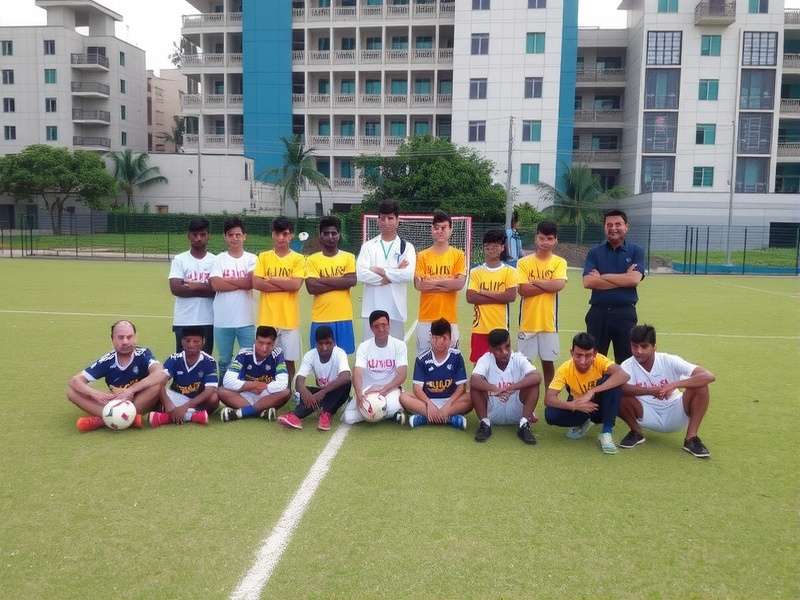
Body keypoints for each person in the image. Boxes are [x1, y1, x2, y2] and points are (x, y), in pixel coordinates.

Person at [618, 324, 715, 458]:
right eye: (635, 346)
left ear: (654, 347)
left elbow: (708, 376)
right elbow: (622, 387)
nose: (638, 351)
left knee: (701, 387)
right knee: (617, 393)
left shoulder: (668, 360)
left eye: (644, 346)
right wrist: (652, 391)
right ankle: (636, 432)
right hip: (646, 413)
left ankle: (691, 439)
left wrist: (673, 385)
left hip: (675, 411)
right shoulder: (627, 365)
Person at [67, 320, 162, 432]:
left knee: (157, 385)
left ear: (135, 338)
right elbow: (75, 381)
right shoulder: (107, 360)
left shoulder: (143, 353)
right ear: (112, 339)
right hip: (117, 401)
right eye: (120, 337)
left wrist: (131, 390)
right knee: (72, 392)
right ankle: (126, 419)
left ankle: (105, 419)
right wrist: (95, 394)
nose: (125, 341)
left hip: (140, 400)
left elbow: (159, 372)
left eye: (129, 337)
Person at [544, 332, 630, 454]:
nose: (583, 361)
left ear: (595, 353)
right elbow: (549, 399)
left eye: (588, 355)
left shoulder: (600, 360)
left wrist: (592, 391)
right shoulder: (564, 369)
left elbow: (624, 375)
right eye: (578, 355)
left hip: (600, 405)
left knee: (613, 382)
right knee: (550, 414)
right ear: (571, 352)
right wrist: (573, 405)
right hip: (580, 407)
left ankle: (606, 432)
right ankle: (584, 421)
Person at [582, 209, 645, 363]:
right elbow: (588, 282)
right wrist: (624, 277)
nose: (613, 228)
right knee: (594, 360)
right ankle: (596, 388)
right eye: (609, 224)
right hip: (598, 314)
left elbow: (634, 280)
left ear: (626, 227)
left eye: (618, 224)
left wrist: (603, 276)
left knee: (626, 362)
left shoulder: (636, 251)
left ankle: (622, 388)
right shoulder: (594, 252)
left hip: (625, 314)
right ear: (604, 227)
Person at [253, 216, 306, 384]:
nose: (281, 238)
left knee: (288, 360)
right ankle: (266, 388)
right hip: (267, 319)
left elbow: (295, 285)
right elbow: (256, 283)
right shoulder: (263, 256)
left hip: (289, 320)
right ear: (273, 235)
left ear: (291, 236)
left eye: (285, 234)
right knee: (265, 358)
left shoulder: (298, 258)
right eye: (278, 234)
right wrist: (285, 283)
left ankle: (288, 390)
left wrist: (271, 279)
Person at [516, 221, 568, 389]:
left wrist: (536, 282)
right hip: (527, 323)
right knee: (525, 366)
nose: (545, 242)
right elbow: (523, 290)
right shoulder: (523, 262)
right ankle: (524, 405)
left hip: (549, 324)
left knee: (548, 363)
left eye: (549, 238)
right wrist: (548, 285)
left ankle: (550, 399)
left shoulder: (560, 262)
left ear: (556, 241)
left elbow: (558, 286)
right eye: (542, 238)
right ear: (536, 238)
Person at [356, 199, 416, 341]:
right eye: (382, 218)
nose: (386, 222)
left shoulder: (407, 247)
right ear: (378, 220)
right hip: (371, 310)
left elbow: (408, 275)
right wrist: (394, 273)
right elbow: (361, 274)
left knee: (395, 357)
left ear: (397, 220)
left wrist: (383, 272)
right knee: (371, 356)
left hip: (396, 311)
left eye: (390, 218)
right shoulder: (368, 246)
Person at [471, 329, 541, 445]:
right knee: (475, 386)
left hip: (517, 411)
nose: (504, 352)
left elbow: (537, 376)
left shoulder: (518, 358)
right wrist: (495, 389)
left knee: (533, 383)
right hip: (492, 411)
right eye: (498, 349)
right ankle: (485, 423)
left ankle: (524, 424)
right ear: (491, 349)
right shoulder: (485, 359)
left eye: (507, 346)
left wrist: (512, 387)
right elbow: (474, 380)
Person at [400, 318, 471, 430]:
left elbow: (461, 387)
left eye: (444, 338)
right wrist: (429, 404)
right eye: (436, 338)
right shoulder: (421, 359)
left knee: (471, 397)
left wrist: (448, 405)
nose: (440, 342)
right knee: (403, 397)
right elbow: (417, 388)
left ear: (450, 338)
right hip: (427, 401)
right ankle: (449, 418)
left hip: (451, 401)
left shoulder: (457, 356)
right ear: (431, 338)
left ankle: (426, 418)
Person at [278, 325, 352, 431]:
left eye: (328, 343)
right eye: (320, 344)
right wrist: (304, 391)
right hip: (321, 394)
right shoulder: (310, 355)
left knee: (346, 382)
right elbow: (299, 379)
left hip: (338, 394)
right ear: (315, 344)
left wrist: (323, 392)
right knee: (305, 390)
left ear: (334, 343)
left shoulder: (339, 353)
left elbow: (345, 377)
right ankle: (296, 416)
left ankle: (326, 413)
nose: (324, 347)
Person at [413, 210, 467, 355]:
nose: (440, 231)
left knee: (450, 361)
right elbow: (419, 285)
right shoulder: (422, 255)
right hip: (426, 319)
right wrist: (447, 282)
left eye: (443, 227)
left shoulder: (458, 255)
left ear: (451, 229)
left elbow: (459, 284)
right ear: (432, 229)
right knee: (424, 361)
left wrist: (433, 282)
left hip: (449, 319)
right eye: (436, 227)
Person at [210, 217, 257, 376]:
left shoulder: (252, 259)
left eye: (238, 235)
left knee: (249, 358)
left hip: (247, 320)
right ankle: (224, 389)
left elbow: (250, 283)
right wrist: (241, 282)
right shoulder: (218, 259)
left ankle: (246, 388)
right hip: (223, 320)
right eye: (230, 235)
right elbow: (216, 285)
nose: (234, 238)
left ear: (244, 236)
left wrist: (227, 281)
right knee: (224, 359)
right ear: (225, 237)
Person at [342, 310, 407, 425]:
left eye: (384, 325)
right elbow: (357, 372)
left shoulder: (399, 345)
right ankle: (389, 414)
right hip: (368, 391)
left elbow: (402, 374)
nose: (381, 329)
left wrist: (384, 389)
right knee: (348, 418)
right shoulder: (364, 347)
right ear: (371, 328)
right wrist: (359, 394)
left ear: (389, 325)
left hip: (390, 390)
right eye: (376, 326)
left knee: (398, 401)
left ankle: (376, 412)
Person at [305, 215, 357, 354]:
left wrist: (322, 280)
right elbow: (311, 287)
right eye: (326, 233)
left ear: (339, 235)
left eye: (334, 233)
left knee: (342, 359)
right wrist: (340, 281)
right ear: (320, 236)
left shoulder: (348, 257)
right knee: (320, 358)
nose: (330, 237)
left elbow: (351, 281)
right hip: (320, 318)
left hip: (343, 316)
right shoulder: (312, 260)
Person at [148, 326, 220, 428]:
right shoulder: (174, 358)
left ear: (203, 342)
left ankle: (168, 417)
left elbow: (210, 389)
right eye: (188, 341)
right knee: (154, 391)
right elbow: (160, 382)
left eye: (196, 341)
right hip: (177, 397)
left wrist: (185, 407)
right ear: (182, 342)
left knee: (214, 398)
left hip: (198, 400)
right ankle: (193, 416)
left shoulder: (209, 361)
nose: (191, 344)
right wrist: (168, 404)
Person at [218, 325, 291, 423]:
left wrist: (262, 387)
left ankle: (240, 413)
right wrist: (251, 385)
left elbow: (283, 383)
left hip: (267, 395)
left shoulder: (277, 354)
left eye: (268, 344)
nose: (264, 348)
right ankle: (261, 411)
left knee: (285, 392)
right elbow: (227, 381)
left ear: (274, 343)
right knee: (221, 391)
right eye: (260, 343)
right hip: (245, 395)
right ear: (255, 341)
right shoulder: (243, 354)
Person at [466, 229, 518, 364]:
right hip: (480, 328)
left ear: (502, 248)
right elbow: (471, 297)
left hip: (500, 328)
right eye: (487, 245)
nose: (490, 249)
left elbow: (511, 296)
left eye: (495, 245)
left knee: (501, 366)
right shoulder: (476, 272)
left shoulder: (509, 271)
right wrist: (499, 296)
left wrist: (483, 292)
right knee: (479, 368)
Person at [167, 217, 216, 354]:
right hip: (183, 320)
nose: (198, 238)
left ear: (208, 236)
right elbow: (176, 289)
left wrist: (193, 286)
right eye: (195, 234)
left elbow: (216, 290)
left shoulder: (215, 260)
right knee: (181, 362)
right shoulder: (180, 259)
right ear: (189, 236)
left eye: (202, 234)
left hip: (208, 320)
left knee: (205, 361)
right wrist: (205, 287)